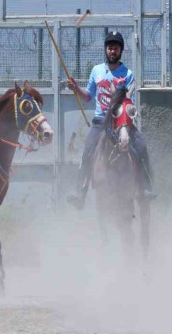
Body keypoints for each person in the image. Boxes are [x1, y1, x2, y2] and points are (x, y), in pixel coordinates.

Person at [65, 31, 155, 210]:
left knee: (141, 145)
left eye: (116, 48)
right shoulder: (96, 71)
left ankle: (145, 188)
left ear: (121, 50)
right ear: (106, 50)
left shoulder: (128, 74)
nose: (112, 51)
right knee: (87, 151)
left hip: (121, 121)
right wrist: (76, 90)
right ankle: (79, 192)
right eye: (109, 47)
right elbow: (88, 96)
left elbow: (128, 100)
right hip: (100, 122)